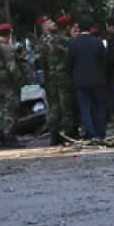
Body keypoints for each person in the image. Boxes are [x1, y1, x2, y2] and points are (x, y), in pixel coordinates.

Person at [41, 14, 79, 144]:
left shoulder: (42, 42)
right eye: (49, 22)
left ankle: (54, 136)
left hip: (50, 79)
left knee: (53, 108)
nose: (53, 23)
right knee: (66, 108)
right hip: (63, 77)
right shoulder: (62, 40)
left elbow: (41, 62)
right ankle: (68, 135)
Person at [67, 20, 108, 140]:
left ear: (79, 29)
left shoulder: (73, 43)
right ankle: (101, 132)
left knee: (85, 108)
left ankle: (90, 133)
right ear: (91, 28)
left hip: (81, 80)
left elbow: (69, 63)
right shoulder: (98, 42)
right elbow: (104, 60)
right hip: (97, 80)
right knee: (98, 107)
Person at [0, 23, 25, 148]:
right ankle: (9, 136)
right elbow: (12, 67)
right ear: (9, 34)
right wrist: (20, 80)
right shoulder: (8, 48)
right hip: (9, 83)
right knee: (10, 110)